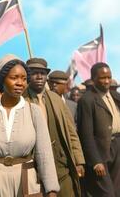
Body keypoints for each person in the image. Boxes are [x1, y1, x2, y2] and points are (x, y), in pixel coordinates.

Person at [0, 54, 59, 197]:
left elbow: (44, 154)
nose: (20, 83)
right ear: (2, 80)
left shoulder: (34, 112)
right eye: (14, 78)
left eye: (23, 78)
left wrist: (51, 190)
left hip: (26, 183)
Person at [23, 58, 85, 197]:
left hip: (62, 167)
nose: (39, 76)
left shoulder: (55, 99)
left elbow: (71, 131)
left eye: (42, 73)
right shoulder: (21, 100)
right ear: (26, 75)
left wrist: (78, 160)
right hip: (34, 169)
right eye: (34, 73)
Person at [77, 62, 120, 197]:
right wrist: (96, 161)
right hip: (101, 152)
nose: (107, 81)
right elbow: (86, 134)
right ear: (93, 79)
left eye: (109, 77)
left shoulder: (115, 96)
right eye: (102, 78)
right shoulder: (87, 100)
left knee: (117, 190)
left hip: (117, 148)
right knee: (106, 193)